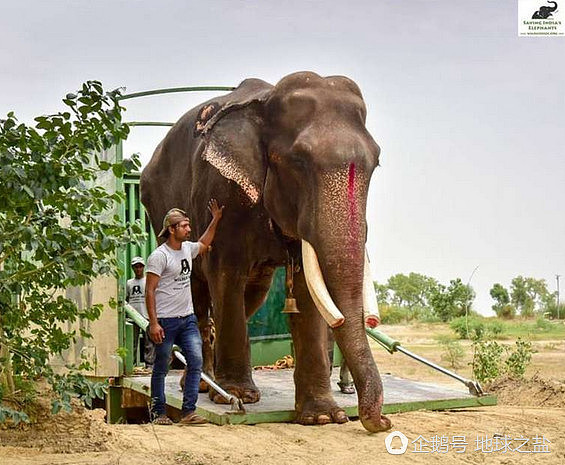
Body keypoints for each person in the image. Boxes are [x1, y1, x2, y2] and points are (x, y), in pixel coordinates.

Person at [145, 200, 223, 425]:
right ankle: (158, 413)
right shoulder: (159, 256)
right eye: (184, 226)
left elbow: (204, 242)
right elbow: (150, 291)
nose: (188, 229)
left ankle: (188, 412)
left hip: (187, 319)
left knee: (196, 361)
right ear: (171, 229)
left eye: (188, 225)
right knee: (161, 368)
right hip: (165, 322)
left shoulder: (188, 249)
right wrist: (153, 323)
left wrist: (215, 219)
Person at [337, 313, 380, 394]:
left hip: (352, 317)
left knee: (351, 351)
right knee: (326, 349)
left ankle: (347, 382)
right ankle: (322, 382)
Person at [126, 256, 155, 368]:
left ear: (143, 267)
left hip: (146, 316)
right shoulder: (129, 283)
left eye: (140, 266)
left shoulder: (148, 281)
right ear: (133, 268)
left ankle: (149, 365)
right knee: (132, 343)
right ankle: (130, 365)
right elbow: (126, 300)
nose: (138, 269)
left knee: (149, 343)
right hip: (133, 317)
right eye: (135, 267)